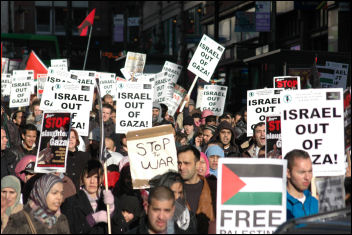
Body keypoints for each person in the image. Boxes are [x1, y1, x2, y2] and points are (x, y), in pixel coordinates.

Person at [61, 159, 125, 234]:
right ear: (82, 178)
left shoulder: (111, 200)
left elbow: (121, 229)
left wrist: (112, 210)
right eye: (88, 177)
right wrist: (90, 220)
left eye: (96, 177)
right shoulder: (71, 202)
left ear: (102, 178)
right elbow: (68, 230)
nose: (92, 181)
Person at [3, 174, 70, 234]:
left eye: (61, 193)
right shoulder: (19, 220)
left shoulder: (61, 219)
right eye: (54, 193)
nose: (59, 197)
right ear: (41, 193)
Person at [177, 145, 215, 233]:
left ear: (197, 164)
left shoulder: (213, 188)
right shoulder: (171, 190)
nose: (181, 167)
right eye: (179, 163)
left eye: (186, 163)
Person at [285, 149, 318, 220]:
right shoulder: (280, 205)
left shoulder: (315, 203)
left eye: (310, 171)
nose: (307, 177)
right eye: (302, 172)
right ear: (288, 173)